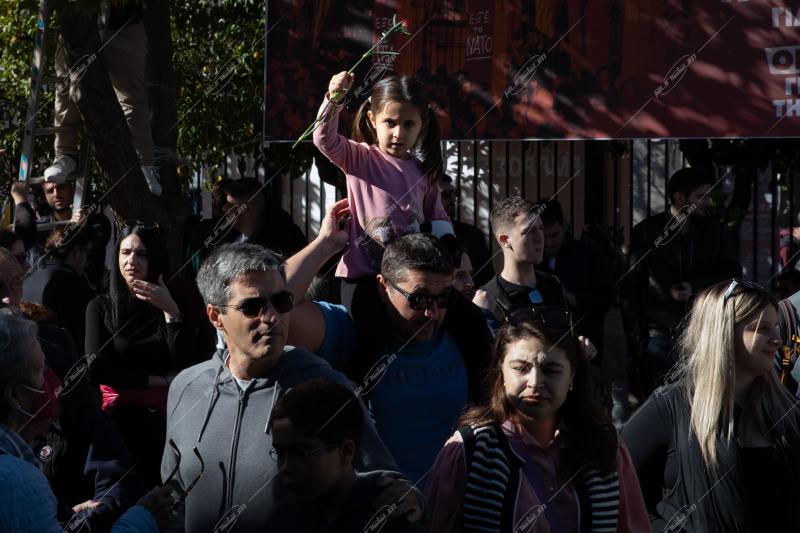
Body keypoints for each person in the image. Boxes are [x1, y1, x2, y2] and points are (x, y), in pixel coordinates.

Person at [161, 236, 420, 532]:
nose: (271, 317)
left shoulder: (325, 388)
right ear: (215, 316)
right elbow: (174, 495)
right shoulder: (186, 387)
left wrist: (409, 498)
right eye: (253, 306)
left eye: (282, 302)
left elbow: (387, 485)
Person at [286, 201, 492, 481]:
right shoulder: (350, 329)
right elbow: (273, 310)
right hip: (378, 513)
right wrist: (325, 244)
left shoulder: (466, 333)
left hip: (453, 511)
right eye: (417, 298)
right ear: (383, 287)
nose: (431, 312)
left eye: (443, 298)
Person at [424, 319, 650, 532]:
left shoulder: (606, 448)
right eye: (521, 368)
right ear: (501, 372)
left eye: (551, 370)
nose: (535, 382)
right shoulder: (470, 450)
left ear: (572, 376)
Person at [621, 280, 800, 531]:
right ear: (723, 331)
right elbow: (617, 483)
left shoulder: (788, 411)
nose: (777, 340)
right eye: (762, 329)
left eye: (777, 328)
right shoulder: (671, 407)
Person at [0, 250, 148, 530]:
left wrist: (67, 517)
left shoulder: (50, 351)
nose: (10, 298)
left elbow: (114, 472)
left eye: (17, 283)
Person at [0, 313, 173, 532]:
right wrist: (143, 519)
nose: (52, 381)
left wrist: (63, 516)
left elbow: (119, 485)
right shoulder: (18, 481)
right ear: (14, 395)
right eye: (41, 370)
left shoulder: (79, 417)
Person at [312, 72, 455, 323]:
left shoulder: (424, 173)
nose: (398, 133)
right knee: (370, 342)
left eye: (409, 124)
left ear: (422, 125)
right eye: (390, 122)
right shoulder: (360, 158)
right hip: (363, 277)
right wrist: (334, 99)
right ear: (372, 119)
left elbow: (439, 219)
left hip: (408, 282)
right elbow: (323, 138)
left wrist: (455, 251)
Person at [85, 223, 206, 487]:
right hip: (120, 423)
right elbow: (97, 369)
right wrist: (157, 380)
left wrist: (171, 313)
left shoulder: (176, 302)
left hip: (170, 422)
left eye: (141, 254)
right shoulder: (100, 307)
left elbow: (186, 365)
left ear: (156, 259)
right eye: (125, 252)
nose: (131, 261)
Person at [620, 167, 741, 397]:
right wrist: (638, 341)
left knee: (702, 401)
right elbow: (631, 287)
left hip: (703, 332)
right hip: (659, 335)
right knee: (662, 404)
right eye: (700, 196)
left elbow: (732, 275)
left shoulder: (715, 231)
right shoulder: (647, 232)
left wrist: (695, 287)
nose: (707, 202)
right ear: (680, 198)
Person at [267, 379, 422, 533]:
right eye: (280, 453)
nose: (286, 468)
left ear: (346, 452)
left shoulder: (389, 516)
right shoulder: (282, 519)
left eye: (301, 453)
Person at [44, 1, 161, 195]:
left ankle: (145, 165)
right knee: (67, 91)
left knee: (132, 95)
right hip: (76, 26)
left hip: (123, 24)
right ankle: (66, 155)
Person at [539, 199, 612, 365]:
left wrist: (573, 299)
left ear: (564, 226)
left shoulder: (587, 253)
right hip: (546, 345)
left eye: (555, 235)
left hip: (585, 343)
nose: (549, 242)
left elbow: (605, 299)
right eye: (544, 236)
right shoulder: (534, 259)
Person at [22, 223, 95, 355]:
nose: (87, 262)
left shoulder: (30, 276)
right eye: (87, 253)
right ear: (76, 251)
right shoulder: (71, 282)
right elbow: (81, 334)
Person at [438, 173, 494, 287]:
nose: (453, 199)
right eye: (447, 194)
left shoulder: (472, 235)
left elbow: (487, 281)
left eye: (455, 194)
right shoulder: (418, 232)